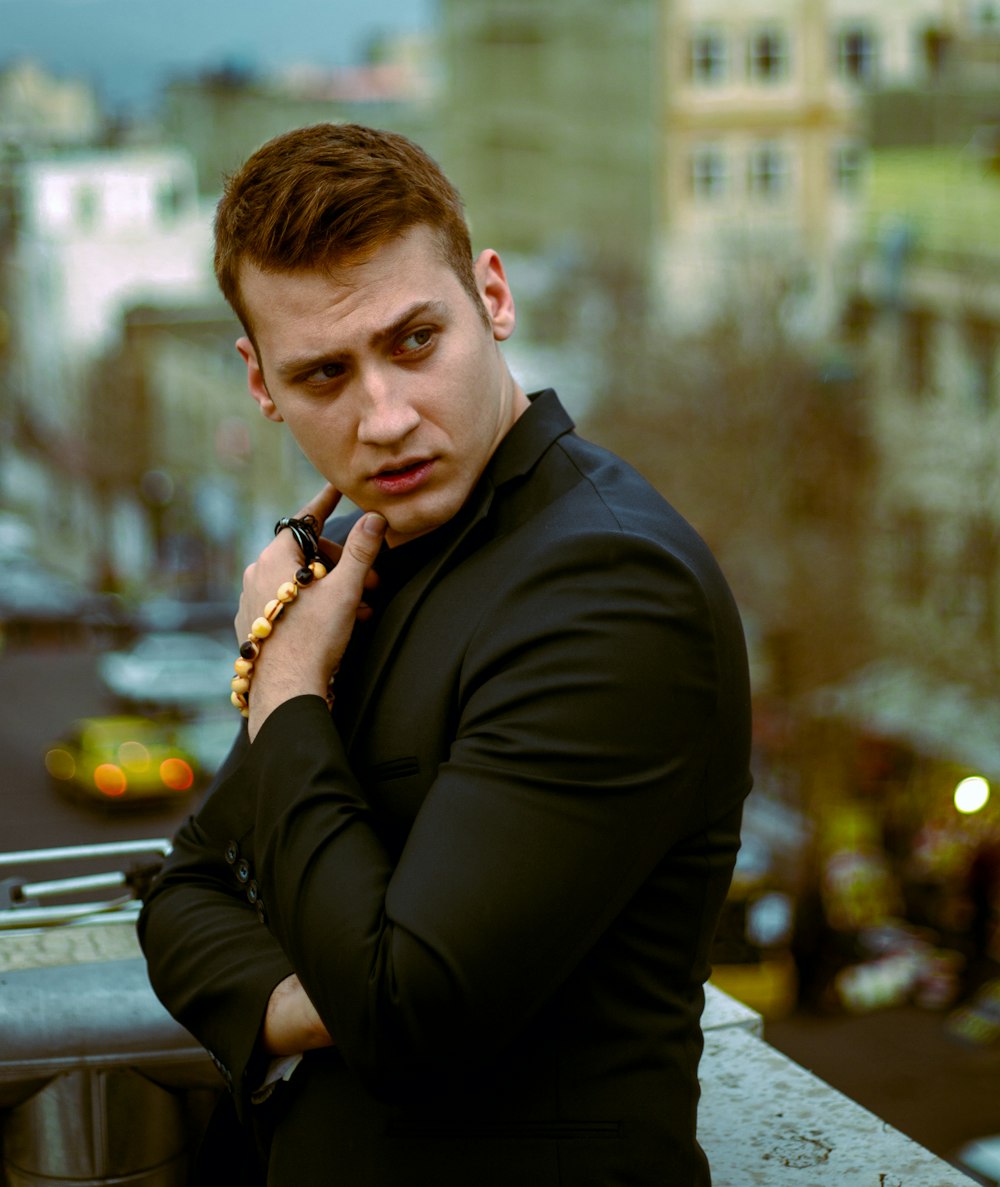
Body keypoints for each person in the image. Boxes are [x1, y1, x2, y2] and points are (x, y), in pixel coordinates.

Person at [138, 122, 753, 1187]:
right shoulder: (365, 566)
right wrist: (304, 1006)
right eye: (324, 373)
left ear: (493, 299)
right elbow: (185, 887)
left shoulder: (607, 584)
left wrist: (283, 687)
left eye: (414, 341)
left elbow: (404, 1016)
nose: (384, 417)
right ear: (260, 383)